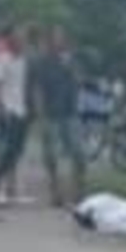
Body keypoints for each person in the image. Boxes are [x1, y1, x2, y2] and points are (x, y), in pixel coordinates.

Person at [32, 26, 87, 207]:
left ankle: (78, 190)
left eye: (62, 38)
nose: (59, 42)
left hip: (70, 112)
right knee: (52, 154)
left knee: (78, 152)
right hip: (51, 113)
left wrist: (70, 66)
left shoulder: (71, 60)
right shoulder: (42, 62)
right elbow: (38, 89)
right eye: (56, 38)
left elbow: (80, 81)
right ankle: (55, 190)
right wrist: (40, 116)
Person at [0, 26, 30, 206]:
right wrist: (1, 108)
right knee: (5, 152)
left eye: (23, 39)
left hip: (21, 110)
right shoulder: (3, 59)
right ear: (11, 41)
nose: (21, 42)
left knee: (16, 152)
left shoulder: (24, 61)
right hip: (7, 110)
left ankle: (11, 189)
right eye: (18, 38)